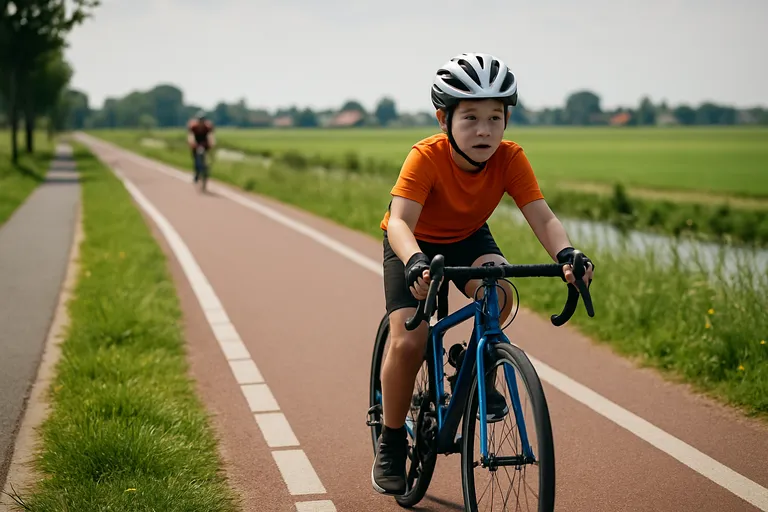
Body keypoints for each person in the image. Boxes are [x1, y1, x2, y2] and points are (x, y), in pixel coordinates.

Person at [372, 52, 595, 496]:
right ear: (444, 119)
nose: (484, 130)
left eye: (495, 118)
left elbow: (542, 217)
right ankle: (392, 439)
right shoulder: (426, 157)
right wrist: (416, 261)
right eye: (470, 117)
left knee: (500, 292)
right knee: (412, 338)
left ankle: (477, 368)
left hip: (469, 237)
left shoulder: (510, 159)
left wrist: (567, 252)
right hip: (413, 244)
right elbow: (399, 221)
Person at [187, 110, 216, 183]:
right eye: (200, 120)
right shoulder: (193, 126)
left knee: (205, 156)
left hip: (204, 141)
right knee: (195, 158)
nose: (201, 122)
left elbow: (211, 135)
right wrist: (192, 142)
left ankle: (205, 167)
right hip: (196, 141)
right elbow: (191, 135)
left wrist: (212, 143)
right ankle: (197, 173)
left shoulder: (208, 127)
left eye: (202, 120)